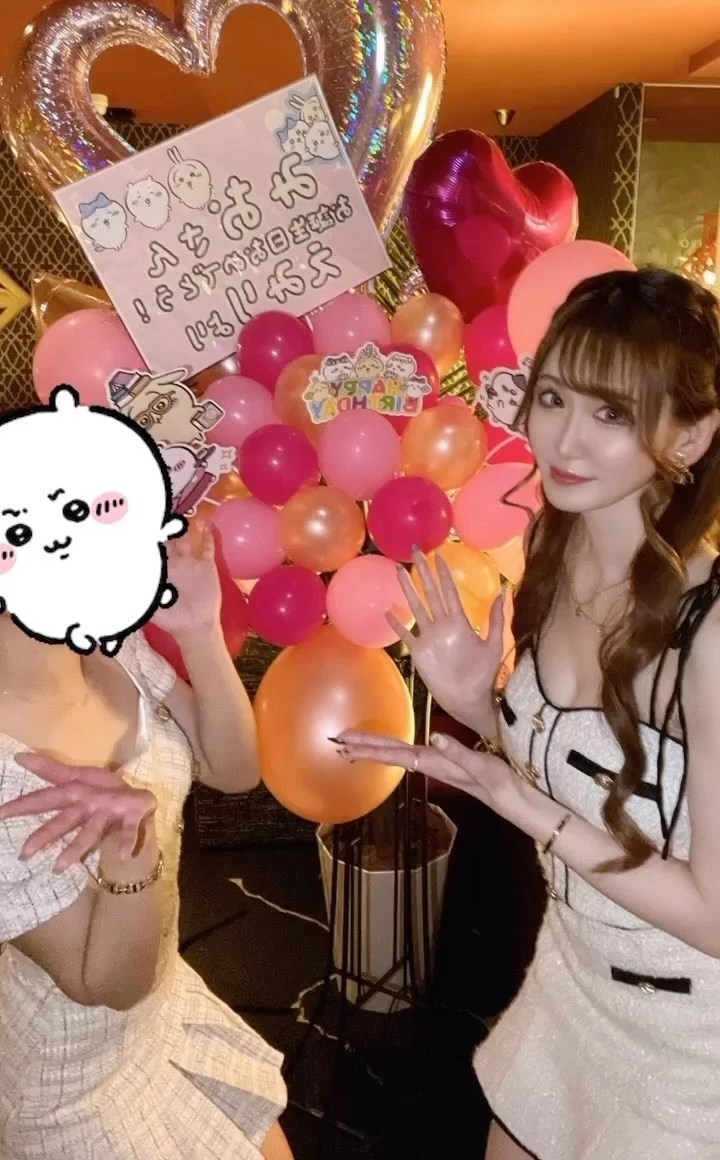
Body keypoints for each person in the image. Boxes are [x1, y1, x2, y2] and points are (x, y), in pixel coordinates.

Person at [336, 268, 720, 1159]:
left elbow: (712, 916)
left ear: (691, 434)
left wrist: (514, 800)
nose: (566, 440)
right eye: (553, 398)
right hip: (571, 978)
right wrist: (479, 704)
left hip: (690, 1044)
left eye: (612, 413)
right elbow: (577, 778)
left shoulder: (708, 631)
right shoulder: (552, 545)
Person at [0, 524, 293, 1160]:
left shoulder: (104, 640)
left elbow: (233, 771)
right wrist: (129, 845)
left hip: (162, 1006)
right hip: (73, 1082)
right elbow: (107, 982)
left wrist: (199, 631)